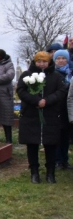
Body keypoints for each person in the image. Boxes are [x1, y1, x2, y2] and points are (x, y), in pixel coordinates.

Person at [17, 52, 67, 184]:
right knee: (32, 144)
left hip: (50, 115)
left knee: (50, 144)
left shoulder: (56, 76)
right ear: (35, 62)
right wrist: (36, 100)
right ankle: (34, 172)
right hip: (31, 115)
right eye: (39, 61)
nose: (42, 64)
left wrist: (47, 101)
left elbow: (61, 92)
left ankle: (50, 172)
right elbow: (21, 91)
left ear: (49, 62)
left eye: (44, 61)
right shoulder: (26, 75)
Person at [53, 49, 71, 168]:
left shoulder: (70, 73)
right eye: (58, 58)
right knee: (57, 136)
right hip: (57, 109)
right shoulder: (53, 74)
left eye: (63, 58)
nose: (61, 61)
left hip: (69, 109)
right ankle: (58, 160)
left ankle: (65, 159)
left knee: (66, 136)